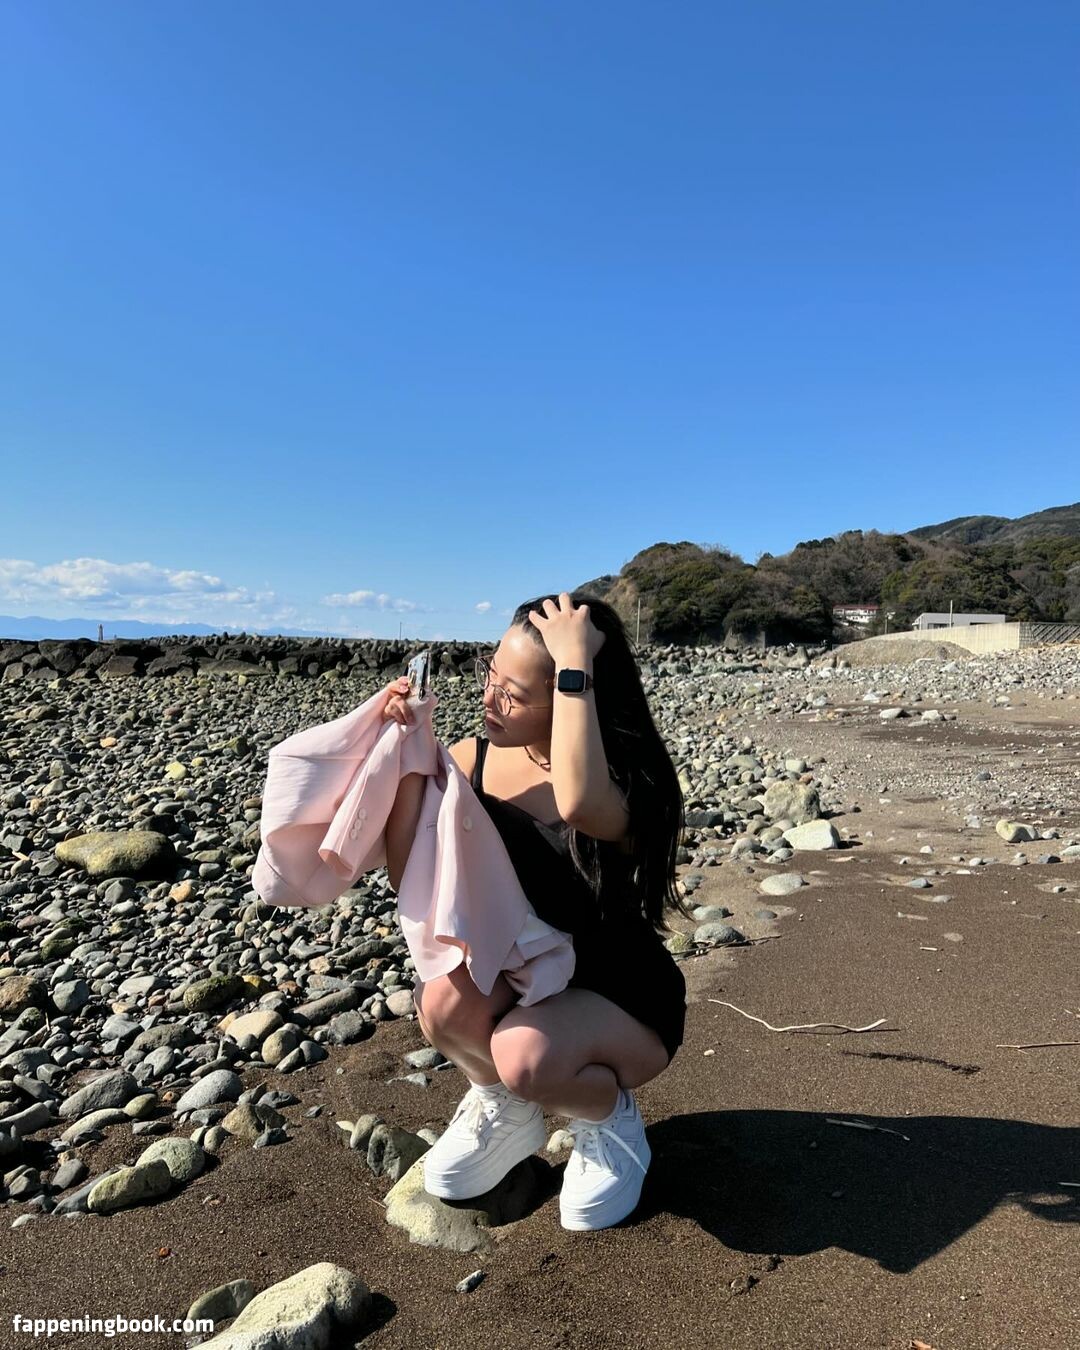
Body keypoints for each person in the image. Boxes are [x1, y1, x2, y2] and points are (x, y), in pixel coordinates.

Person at [380, 590, 691, 1230]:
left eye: (513, 694)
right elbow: (407, 871)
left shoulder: (629, 780)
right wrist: (409, 753)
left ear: (575, 693)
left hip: (619, 993)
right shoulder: (474, 758)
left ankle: (606, 1116)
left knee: (525, 1055)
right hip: (522, 971)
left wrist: (575, 664)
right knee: (438, 1005)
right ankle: (506, 1108)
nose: (488, 700)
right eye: (489, 676)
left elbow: (576, 802)